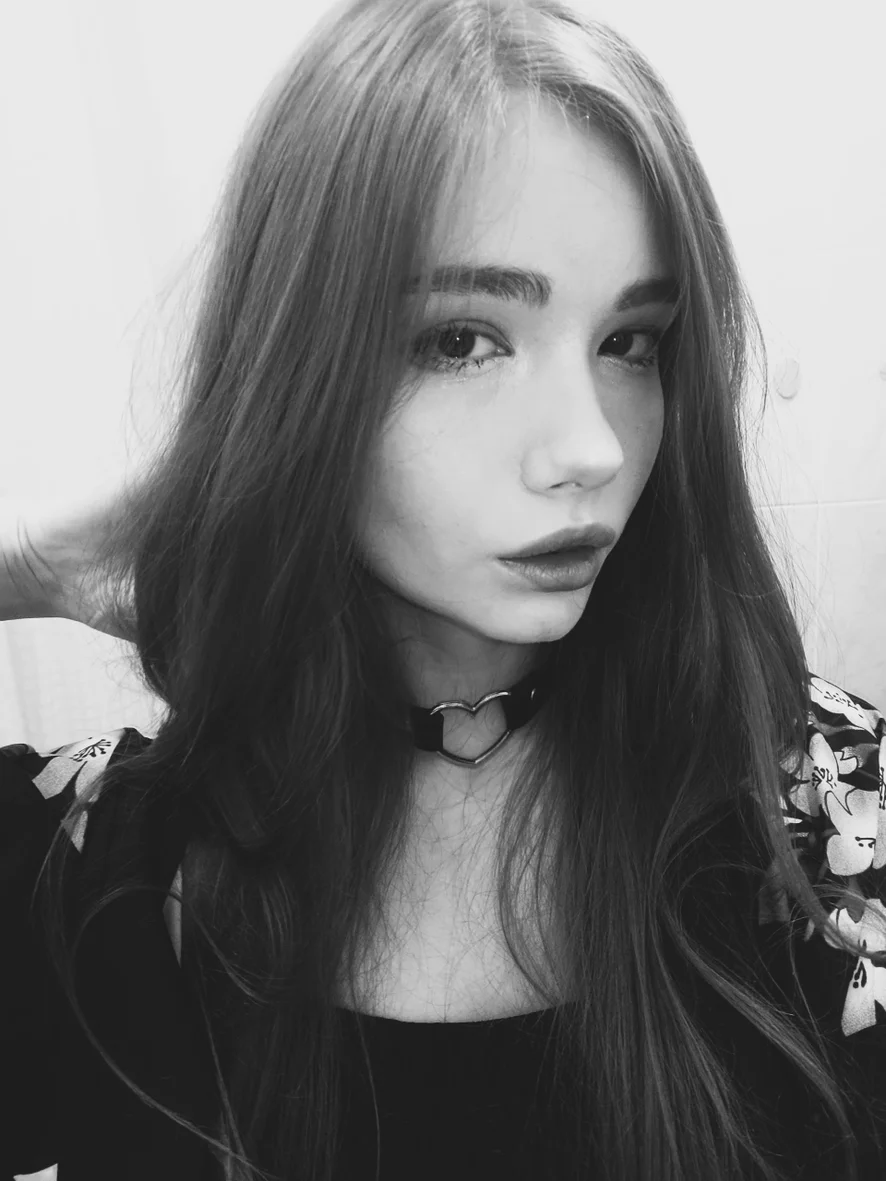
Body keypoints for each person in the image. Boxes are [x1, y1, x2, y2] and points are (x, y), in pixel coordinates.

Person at [2, 1, 884, 1179]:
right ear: (293, 373)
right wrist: (27, 560)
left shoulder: (831, 822)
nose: (590, 448)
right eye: (464, 339)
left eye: (631, 341)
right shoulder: (105, 861)